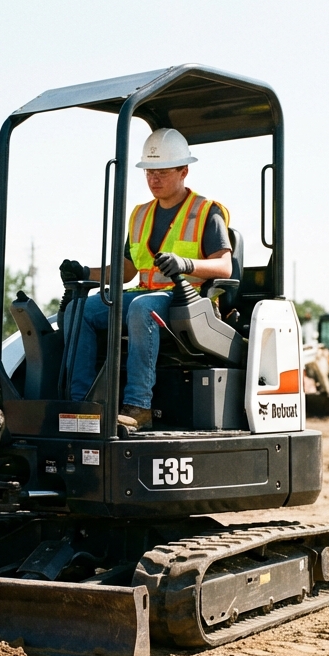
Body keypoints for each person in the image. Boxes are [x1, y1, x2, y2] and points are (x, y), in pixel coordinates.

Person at [60, 128, 233, 430]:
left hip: (188, 301)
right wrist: (86, 273)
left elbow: (225, 267)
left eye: (162, 172)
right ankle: (84, 404)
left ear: (184, 171)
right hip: (145, 294)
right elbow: (126, 271)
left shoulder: (207, 211)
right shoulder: (140, 215)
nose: (154, 179)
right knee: (79, 311)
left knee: (142, 309)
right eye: (149, 172)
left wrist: (186, 264)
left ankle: (139, 407)